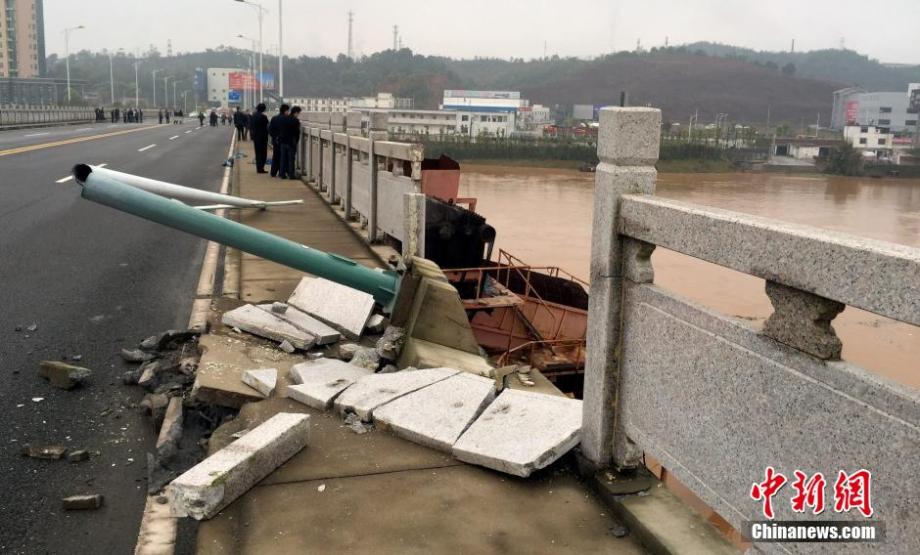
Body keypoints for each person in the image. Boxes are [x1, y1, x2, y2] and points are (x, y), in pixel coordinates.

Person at [278, 106, 302, 179]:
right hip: (291, 142)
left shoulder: (284, 118)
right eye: (298, 113)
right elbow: (297, 133)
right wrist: (296, 141)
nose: (298, 115)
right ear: (296, 113)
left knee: (283, 159)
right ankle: (291, 175)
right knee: (291, 159)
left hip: (283, 141)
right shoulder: (295, 120)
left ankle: (282, 174)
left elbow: (281, 130)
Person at [268, 104, 289, 177]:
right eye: (287, 111)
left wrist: (275, 137)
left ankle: (273, 172)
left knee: (275, 156)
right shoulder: (287, 119)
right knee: (283, 157)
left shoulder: (274, 118)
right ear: (285, 111)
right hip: (284, 141)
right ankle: (281, 172)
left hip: (275, 141)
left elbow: (270, 130)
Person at [250, 103, 269, 174]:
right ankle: (261, 168)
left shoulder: (253, 116)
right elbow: (267, 126)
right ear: (263, 109)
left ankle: (258, 168)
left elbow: (251, 126)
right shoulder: (263, 117)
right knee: (263, 153)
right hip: (263, 137)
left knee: (257, 153)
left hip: (255, 137)